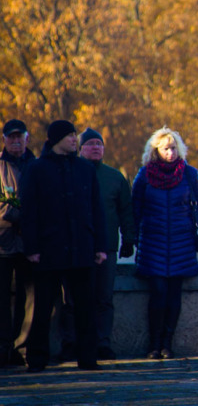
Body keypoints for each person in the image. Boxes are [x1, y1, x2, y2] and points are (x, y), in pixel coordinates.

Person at [19, 120, 107, 372]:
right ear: (56, 139)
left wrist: (99, 246)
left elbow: (96, 210)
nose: (73, 140)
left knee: (85, 308)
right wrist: (32, 247)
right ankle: (37, 359)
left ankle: (88, 359)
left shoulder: (85, 169)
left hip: (81, 249)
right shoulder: (37, 169)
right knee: (43, 307)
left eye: (74, 135)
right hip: (48, 249)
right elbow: (30, 212)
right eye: (70, 136)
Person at [132, 127, 198, 360]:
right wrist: (129, 240)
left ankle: (167, 344)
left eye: (173, 148)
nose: (170, 153)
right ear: (156, 151)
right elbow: (135, 210)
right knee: (158, 293)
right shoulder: (144, 175)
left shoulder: (189, 174)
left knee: (174, 295)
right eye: (165, 149)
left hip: (182, 242)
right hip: (153, 242)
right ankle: (154, 344)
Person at [58, 128, 137, 361]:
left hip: (108, 247)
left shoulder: (115, 178)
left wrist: (129, 239)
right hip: (74, 248)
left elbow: (126, 211)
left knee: (104, 299)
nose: (95, 147)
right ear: (80, 148)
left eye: (99, 144)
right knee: (70, 300)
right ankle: (70, 343)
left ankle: (103, 343)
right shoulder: (69, 172)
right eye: (90, 144)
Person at [0, 119, 35, 367]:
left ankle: (22, 348)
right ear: (4, 140)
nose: (15, 141)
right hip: (2, 243)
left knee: (28, 298)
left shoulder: (37, 166)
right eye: (10, 137)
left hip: (30, 244)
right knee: (2, 299)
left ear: (26, 138)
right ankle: (3, 349)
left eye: (18, 137)